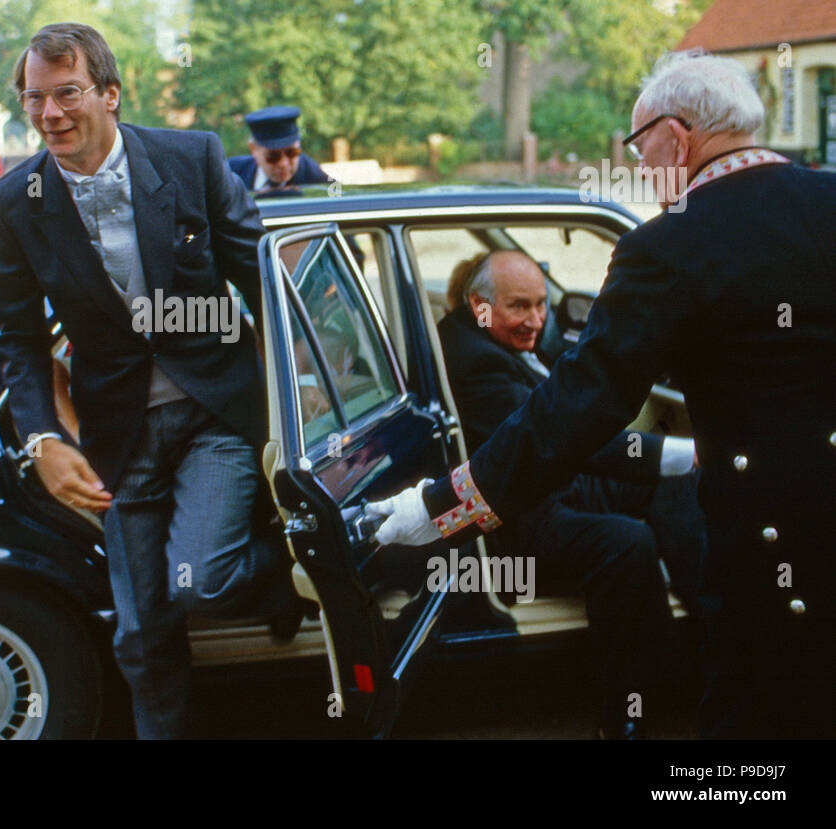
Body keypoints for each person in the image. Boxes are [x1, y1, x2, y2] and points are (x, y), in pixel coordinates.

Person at [368, 51, 836, 738]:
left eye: (640, 147)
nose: (643, 169)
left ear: (677, 137)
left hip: (769, 546)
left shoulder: (668, 246)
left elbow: (580, 406)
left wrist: (440, 503)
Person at [0, 22, 305, 740]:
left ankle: (288, 569)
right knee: (143, 629)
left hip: (216, 413)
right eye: (34, 98)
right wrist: (41, 435)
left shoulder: (191, 157)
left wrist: (305, 380)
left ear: (110, 93)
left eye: (66, 93)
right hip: (116, 438)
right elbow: (20, 338)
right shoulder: (11, 204)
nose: (50, 114)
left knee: (203, 579)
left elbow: (263, 278)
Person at [438, 248, 705, 737]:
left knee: (676, 485)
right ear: (479, 305)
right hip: (519, 522)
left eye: (542, 304)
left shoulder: (492, 338)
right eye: (520, 306)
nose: (536, 320)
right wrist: (674, 450)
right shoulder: (477, 363)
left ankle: (705, 618)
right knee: (628, 543)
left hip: (555, 486)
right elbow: (557, 439)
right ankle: (624, 711)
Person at [228, 106, 332, 197]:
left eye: (291, 153)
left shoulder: (312, 173)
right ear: (253, 149)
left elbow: (341, 196)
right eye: (273, 156)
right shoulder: (232, 174)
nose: (283, 164)